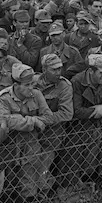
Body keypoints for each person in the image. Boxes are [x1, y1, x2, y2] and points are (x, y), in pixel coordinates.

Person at [0, 63, 54, 203]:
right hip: (9, 144)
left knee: (30, 177)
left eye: (33, 84)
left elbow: (48, 117)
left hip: (32, 143)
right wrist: (33, 121)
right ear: (16, 85)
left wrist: (20, 121)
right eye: (27, 85)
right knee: (8, 178)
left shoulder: (36, 95)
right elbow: (6, 120)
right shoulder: (4, 98)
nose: (31, 88)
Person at [68, 53, 102, 199]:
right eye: (101, 74)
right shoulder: (77, 82)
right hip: (82, 127)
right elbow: (76, 110)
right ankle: (82, 184)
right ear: (91, 71)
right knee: (82, 157)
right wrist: (94, 111)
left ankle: (100, 182)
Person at [33, 53, 74, 195]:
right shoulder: (33, 82)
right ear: (44, 70)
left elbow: (66, 113)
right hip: (31, 135)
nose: (58, 72)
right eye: (54, 69)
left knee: (43, 170)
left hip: (51, 136)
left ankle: (43, 199)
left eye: (60, 69)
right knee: (27, 169)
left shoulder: (64, 86)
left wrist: (42, 120)